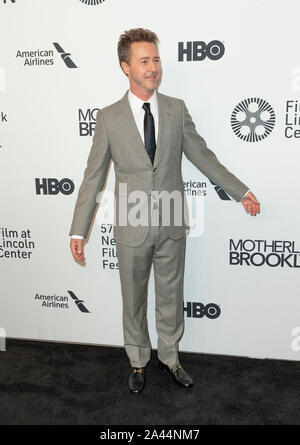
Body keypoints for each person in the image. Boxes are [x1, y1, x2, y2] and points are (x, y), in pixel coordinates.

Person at [69, 28, 260, 394]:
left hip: (172, 222)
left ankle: (171, 358)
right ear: (126, 67)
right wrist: (79, 231)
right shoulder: (108, 118)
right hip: (131, 225)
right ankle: (138, 362)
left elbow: (202, 155)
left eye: (156, 59)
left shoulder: (175, 110)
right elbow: (93, 176)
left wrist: (240, 190)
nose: (153, 67)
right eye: (144, 61)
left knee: (171, 297)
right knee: (134, 299)